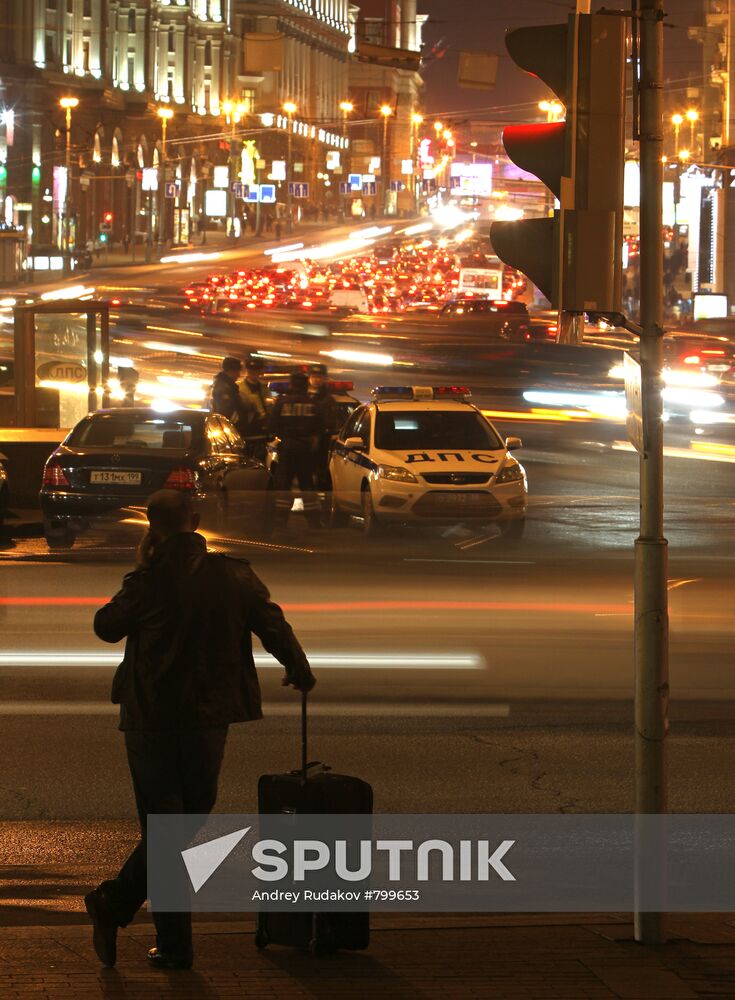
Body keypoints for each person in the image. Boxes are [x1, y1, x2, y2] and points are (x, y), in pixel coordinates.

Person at [83, 490, 315, 971]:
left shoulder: (146, 582)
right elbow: (271, 623)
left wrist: (140, 573)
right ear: (195, 522)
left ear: (153, 524)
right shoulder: (233, 574)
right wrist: (298, 667)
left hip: (151, 717)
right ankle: (165, 940)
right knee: (184, 824)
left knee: (166, 829)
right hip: (209, 716)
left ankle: (119, 905)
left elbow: (105, 626)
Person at [269, 370, 323, 529]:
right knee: (307, 484)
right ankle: (313, 521)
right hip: (305, 449)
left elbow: (272, 425)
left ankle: (281, 520)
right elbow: (321, 426)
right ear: (306, 386)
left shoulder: (282, 403)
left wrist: (284, 437)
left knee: (284, 484)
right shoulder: (313, 404)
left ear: (291, 385)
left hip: (287, 447)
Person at [307, 363, 339, 492]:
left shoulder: (328, 399)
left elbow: (332, 421)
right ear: (309, 377)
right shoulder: (301, 395)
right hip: (303, 440)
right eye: (314, 376)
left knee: (321, 472)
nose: (317, 379)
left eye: (319, 376)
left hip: (322, 441)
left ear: (325, 378)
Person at [238, 355, 271, 462]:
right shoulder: (239, 388)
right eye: (251, 371)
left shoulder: (264, 388)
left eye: (256, 371)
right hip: (246, 433)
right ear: (247, 370)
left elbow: (268, 408)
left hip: (261, 434)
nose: (254, 374)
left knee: (260, 463)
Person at [209, 356, 243, 425]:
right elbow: (226, 411)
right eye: (237, 371)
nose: (239, 375)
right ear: (231, 371)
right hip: (228, 425)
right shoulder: (223, 388)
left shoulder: (227, 385)